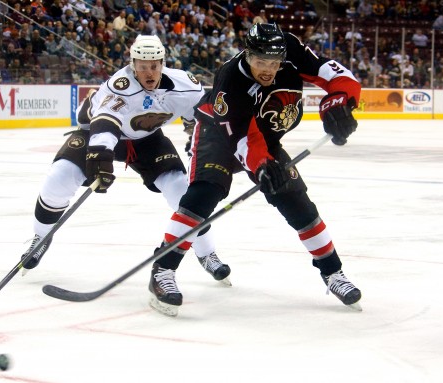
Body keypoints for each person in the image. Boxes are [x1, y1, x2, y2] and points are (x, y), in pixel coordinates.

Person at [146, 23, 363, 317]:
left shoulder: (291, 50)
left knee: (297, 202)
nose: (268, 70)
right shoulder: (231, 77)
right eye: (261, 61)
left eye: (274, 63)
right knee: (204, 195)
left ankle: (333, 273)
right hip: (219, 135)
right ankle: (163, 269)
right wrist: (261, 166)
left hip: (266, 139)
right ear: (248, 54)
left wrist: (339, 103)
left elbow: (338, 77)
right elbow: (241, 138)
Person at [20, 35, 231, 287]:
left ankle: (206, 253)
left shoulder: (186, 85)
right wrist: (101, 158)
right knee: (59, 178)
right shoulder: (119, 85)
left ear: (163, 63)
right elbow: (105, 125)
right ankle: (41, 238)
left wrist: (201, 138)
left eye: (154, 65)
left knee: (181, 189)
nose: (149, 72)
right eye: (142, 66)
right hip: (95, 133)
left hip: (147, 140)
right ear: (133, 64)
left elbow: (199, 117)